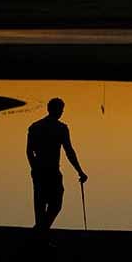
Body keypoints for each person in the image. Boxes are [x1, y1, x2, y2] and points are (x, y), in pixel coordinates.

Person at [26, 97, 88, 247]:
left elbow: (29, 151)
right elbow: (69, 152)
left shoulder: (35, 126)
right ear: (58, 111)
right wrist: (80, 171)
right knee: (55, 204)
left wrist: (34, 167)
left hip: (40, 171)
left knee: (42, 205)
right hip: (51, 171)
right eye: (61, 109)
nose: (61, 112)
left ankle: (40, 234)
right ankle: (41, 236)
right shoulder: (60, 128)